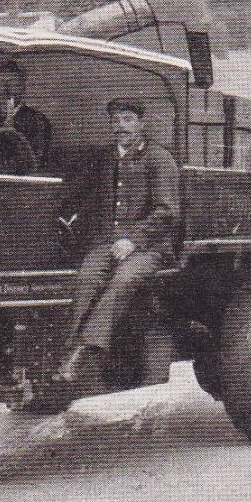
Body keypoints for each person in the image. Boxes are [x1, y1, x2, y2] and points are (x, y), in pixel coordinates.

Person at [55, 98, 181, 394]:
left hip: (151, 247)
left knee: (122, 281)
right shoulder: (107, 158)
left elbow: (168, 213)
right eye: (115, 121)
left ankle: (82, 353)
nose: (120, 127)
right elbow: (79, 192)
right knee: (86, 280)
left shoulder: (160, 159)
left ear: (141, 123)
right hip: (109, 244)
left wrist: (133, 241)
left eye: (126, 120)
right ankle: (71, 351)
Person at [0, 59, 52, 166]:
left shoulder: (38, 121)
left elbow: (37, 159)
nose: (5, 89)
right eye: (0, 83)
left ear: (22, 87)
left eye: (12, 83)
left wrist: (12, 134)